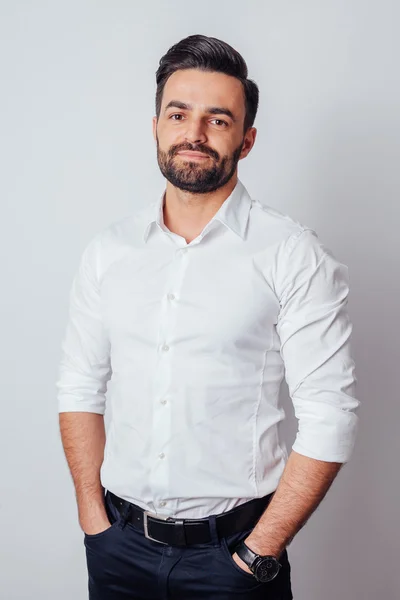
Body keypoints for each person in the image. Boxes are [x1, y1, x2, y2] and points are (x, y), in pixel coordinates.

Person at [56, 34, 359, 600]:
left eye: (217, 120)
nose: (193, 133)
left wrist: (257, 553)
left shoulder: (291, 254)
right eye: (179, 113)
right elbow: (80, 386)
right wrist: (93, 521)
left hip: (234, 562)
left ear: (246, 141)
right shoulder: (109, 251)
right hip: (118, 550)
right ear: (155, 126)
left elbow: (330, 415)